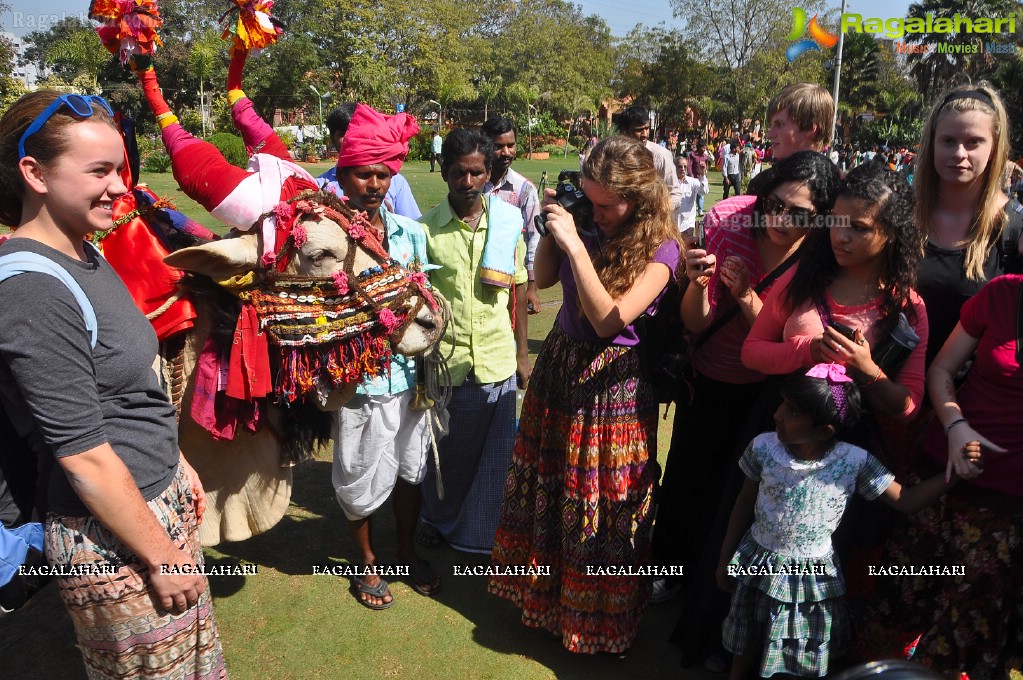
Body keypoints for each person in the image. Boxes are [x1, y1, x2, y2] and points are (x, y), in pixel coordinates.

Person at [0, 90, 226, 677]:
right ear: (34, 173)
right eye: (99, 170)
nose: (122, 187)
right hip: (111, 538)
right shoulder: (31, 288)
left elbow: (125, 393)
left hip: (149, 506)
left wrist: (174, 465)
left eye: (120, 169)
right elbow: (82, 454)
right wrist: (160, 553)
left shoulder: (85, 253)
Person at [489, 136, 683, 654]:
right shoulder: (588, 226)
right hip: (560, 368)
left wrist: (577, 241)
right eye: (590, 200)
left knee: (601, 499)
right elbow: (546, 277)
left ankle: (600, 624)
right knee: (551, 485)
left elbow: (608, 320)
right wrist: (554, 228)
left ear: (640, 197)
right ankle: (549, 604)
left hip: (612, 385)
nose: (597, 213)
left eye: (607, 204)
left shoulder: (662, 248)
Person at [660, 152, 840, 663]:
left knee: (732, 499)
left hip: (764, 392)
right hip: (707, 377)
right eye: (775, 204)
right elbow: (696, 323)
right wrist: (697, 283)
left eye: (800, 213)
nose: (782, 220)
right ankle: (669, 575)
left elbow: (788, 338)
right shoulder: (730, 224)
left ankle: (712, 595)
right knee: (686, 481)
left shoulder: (818, 257)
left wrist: (745, 298)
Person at [718, 367, 980, 680]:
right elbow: (743, 503)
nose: (777, 414)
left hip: (808, 579)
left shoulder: (854, 461)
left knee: (796, 651)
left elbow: (907, 500)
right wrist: (725, 560)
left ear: (825, 431)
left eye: (792, 411)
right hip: (757, 562)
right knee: (748, 631)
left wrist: (956, 473)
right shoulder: (763, 447)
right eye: (782, 404)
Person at [859, 273, 1023, 679]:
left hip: (1005, 504)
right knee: (901, 597)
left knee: (963, 628)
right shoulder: (1002, 292)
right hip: (938, 474)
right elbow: (942, 370)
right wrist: (955, 426)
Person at [328, 104, 440, 609]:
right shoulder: (324, 235)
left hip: (412, 376)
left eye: (382, 174)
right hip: (358, 379)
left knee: (411, 469)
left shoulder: (411, 234)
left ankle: (405, 553)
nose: (373, 184)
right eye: (362, 174)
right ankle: (367, 562)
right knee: (358, 472)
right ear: (343, 173)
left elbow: (426, 302)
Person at [417, 128, 529, 554]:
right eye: (459, 173)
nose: (467, 182)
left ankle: (479, 533)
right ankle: (436, 517)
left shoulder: (506, 224)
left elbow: (516, 289)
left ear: (488, 174)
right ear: (445, 173)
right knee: (447, 455)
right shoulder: (424, 230)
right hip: (447, 363)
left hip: (497, 358)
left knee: (495, 458)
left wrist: (522, 353)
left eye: (476, 173)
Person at [912, 83, 1023, 368]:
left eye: (973, 142)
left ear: (994, 148)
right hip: (888, 391)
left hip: (965, 403)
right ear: (932, 143)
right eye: (948, 141)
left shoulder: (1013, 229)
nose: (959, 153)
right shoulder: (902, 214)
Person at [316, 102, 422, 220]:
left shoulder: (396, 182)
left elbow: (412, 223)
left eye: (358, 133)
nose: (351, 139)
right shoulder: (319, 185)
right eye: (344, 134)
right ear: (332, 139)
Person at [481, 117, 543, 314]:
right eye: (498, 146)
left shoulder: (525, 190)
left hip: (513, 280)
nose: (506, 152)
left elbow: (534, 239)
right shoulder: (472, 185)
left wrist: (532, 287)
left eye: (511, 145)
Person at [748, 83, 835, 196]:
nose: (770, 134)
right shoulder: (762, 183)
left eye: (779, 124)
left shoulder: (838, 192)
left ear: (809, 128)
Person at [616, 105, 684, 212]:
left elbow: (675, 194)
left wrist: (657, 213)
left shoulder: (661, 155)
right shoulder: (615, 155)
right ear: (625, 130)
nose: (645, 134)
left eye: (647, 128)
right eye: (639, 130)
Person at [674, 154, 709, 233]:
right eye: (680, 167)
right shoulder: (670, 183)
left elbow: (704, 192)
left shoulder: (693, 182)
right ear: (675, 168)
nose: (683, 169)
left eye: (685, 167)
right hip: (673, 224)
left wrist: (703, 174)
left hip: (688, 224)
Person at [689, 141, 711, 216]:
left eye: (705, 148)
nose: (704, 149)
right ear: (698, 148)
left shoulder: (705, 156)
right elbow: (689, 166)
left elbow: (707, 165)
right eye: (703, 147)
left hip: (701, 178)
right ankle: (692, 210)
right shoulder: (692, 155)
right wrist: (691, 176)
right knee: (693, 194)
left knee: (701, 194)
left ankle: (700, 210)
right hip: (693, 178)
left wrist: (705, 174)